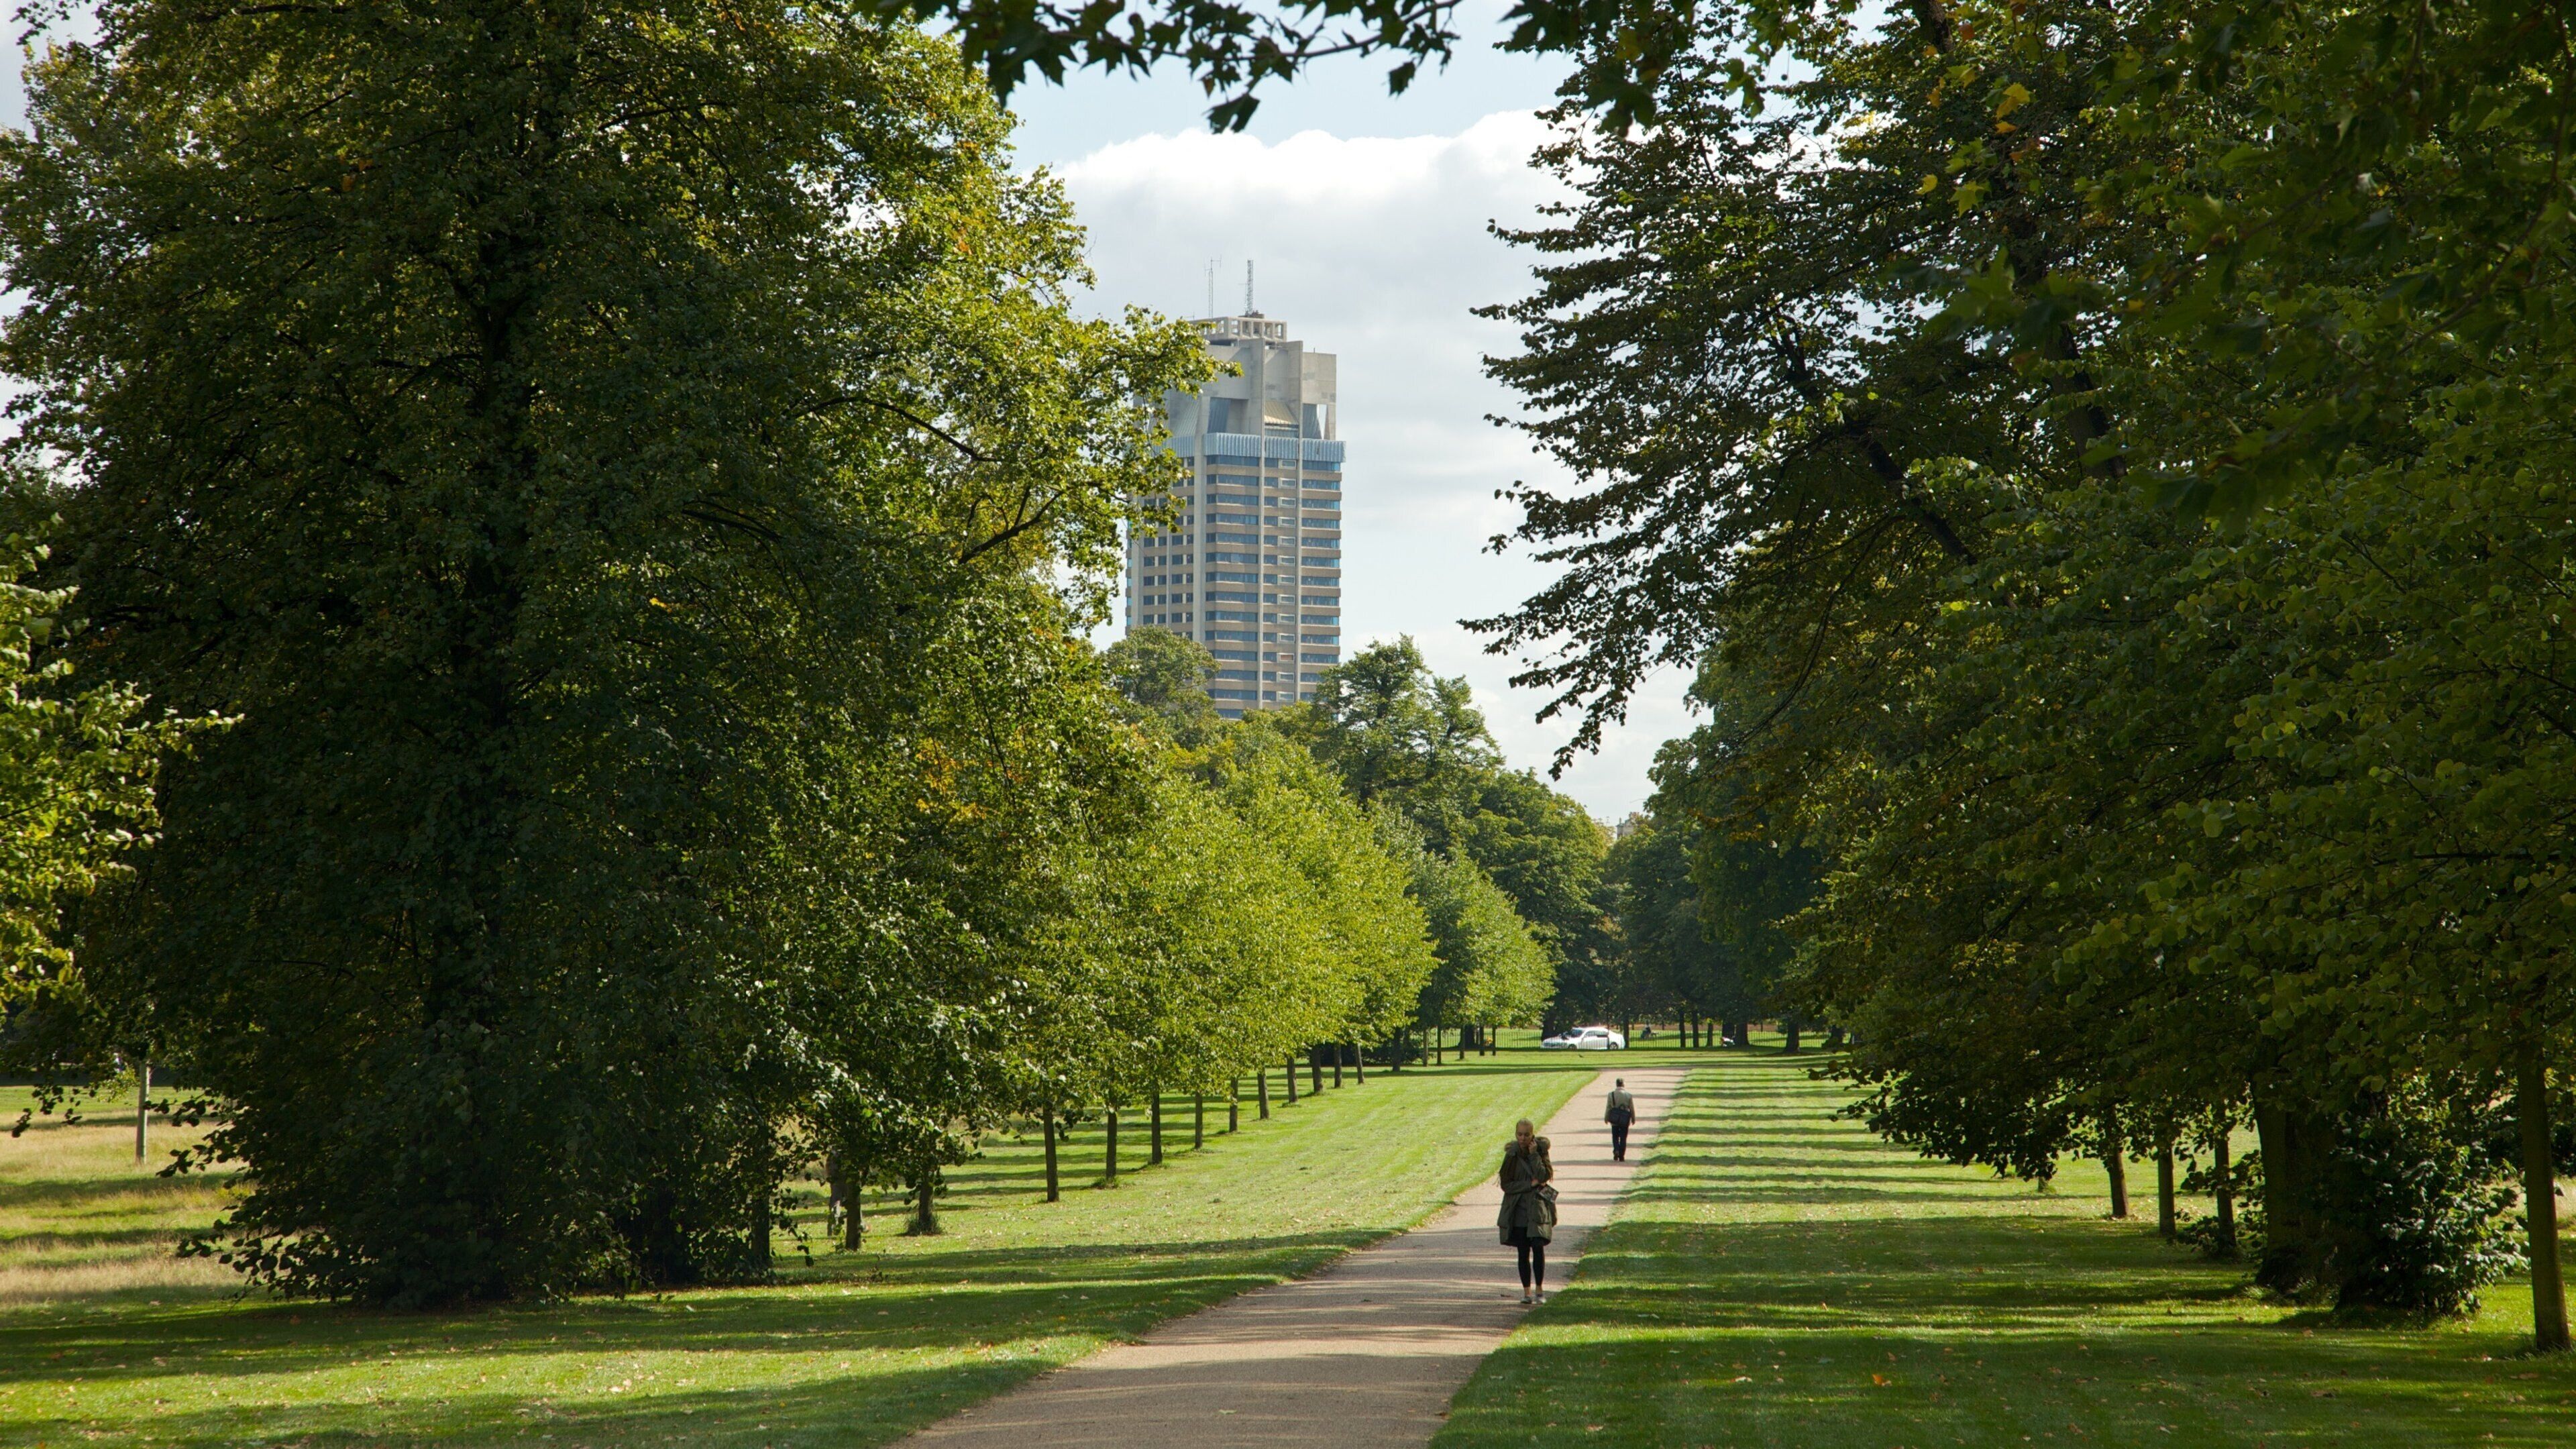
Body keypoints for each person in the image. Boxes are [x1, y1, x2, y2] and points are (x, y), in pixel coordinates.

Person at [1499, 1118, 1556, 1303]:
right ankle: (1527, 1293)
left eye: (1526, 1135)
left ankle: (1540, 1290)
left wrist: (1534, 1155)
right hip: (1518, 1210)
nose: (1523, 1138)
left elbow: (1544, 1176)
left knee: (1538, 1247)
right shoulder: (1512, 1154)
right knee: (1523, 1251)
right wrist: (1528, 1185)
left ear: (1532, 1134)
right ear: (1516, 1134)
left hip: (1537, 1207)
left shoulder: (1540, 1151)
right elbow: (1506, 1185)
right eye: (1520, 1135)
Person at [1605, 1078, 1636, 1162]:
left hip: (1615, 1119)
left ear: (1617, 1084)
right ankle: (1622, 1155)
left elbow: (1608, 1107)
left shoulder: (1611, 1095)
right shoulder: (1628, 1095)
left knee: (1615, 1136)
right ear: (1623, 1084)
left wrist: (1606, 1118)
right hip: (1625, 1119)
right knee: (1623, 1138)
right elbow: (1632, 1108)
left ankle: (1616, 1149)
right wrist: (1633, 1118)